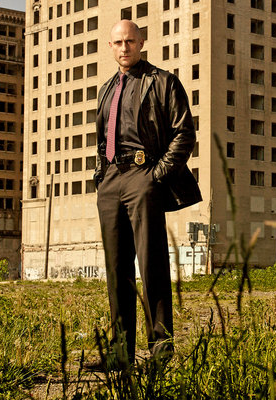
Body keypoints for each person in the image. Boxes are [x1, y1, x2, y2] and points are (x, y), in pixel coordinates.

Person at [93, 19, 201, 367]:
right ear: (110, 47)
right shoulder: (106, 89)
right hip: (111, 178)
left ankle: (160, 351)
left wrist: (156, 176)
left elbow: (184, 134)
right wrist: (100, 175)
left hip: (144, 175)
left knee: (151, 263)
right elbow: (101, 139)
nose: (124, 47)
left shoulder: (163, 82)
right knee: (116, 268)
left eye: (130, 41)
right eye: (118, 42)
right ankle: (119, 353)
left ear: (141, 43)